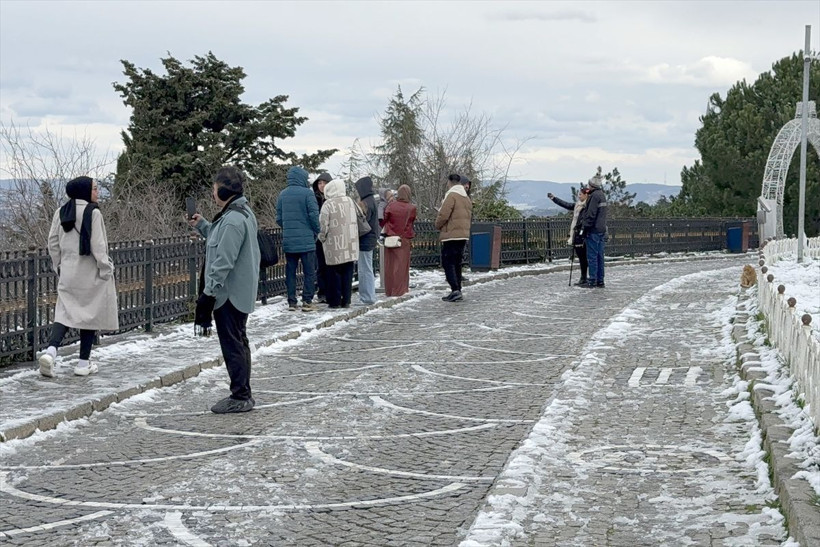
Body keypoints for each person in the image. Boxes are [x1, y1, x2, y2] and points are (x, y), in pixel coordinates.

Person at [190, 166, 261, 414]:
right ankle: (243, 392)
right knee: (238, 341)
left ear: (222, 189)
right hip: (237, 292)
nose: (212, 193)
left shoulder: (233, 219)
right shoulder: (237, 212)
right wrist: (203, 225)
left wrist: (209, 293)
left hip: (230, 294)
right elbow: (219, 239)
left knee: (233, 345)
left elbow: (223, 262)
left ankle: (240, 395)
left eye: (214, 188)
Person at [38, 176, 118, 378]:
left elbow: (52, 243)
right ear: (84, 191)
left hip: (68, 271)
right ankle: (83, 363)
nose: (97, 192)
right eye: (94, 188)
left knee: (64, 312)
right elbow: (98, 246)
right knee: (88, 316)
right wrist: (106, 268)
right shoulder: (94, 213)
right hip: (90, 271)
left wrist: (59, 265)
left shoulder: (61, 211)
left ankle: (51, 351)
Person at [276, 166, 320, 312]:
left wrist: (288, 228)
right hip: (307, 240)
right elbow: (314, 215)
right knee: (309, 271)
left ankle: (291, 301)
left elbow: (279, 218)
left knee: (290, 271)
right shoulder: (308, 194)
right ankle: (307, 300)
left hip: (289, 241)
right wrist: (316, 230)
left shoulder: (282, 194)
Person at [318, 178, 359, 308]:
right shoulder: (350, 201)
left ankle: (334, 301)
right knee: (347, 272)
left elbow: (323, 224)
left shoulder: (328, 204)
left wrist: (321, 237)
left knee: (333, 273)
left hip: (334, 244)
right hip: (350, 243)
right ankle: (346, 299)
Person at [435, 173, 472, 302]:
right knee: (457, 262)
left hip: (451, 234)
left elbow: (443, 214)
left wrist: (438, 225)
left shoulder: (452, 195)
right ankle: (458, 289)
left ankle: (454, 289)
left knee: (448, 262)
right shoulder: (465, 197)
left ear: (451, 182)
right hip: (463, 234)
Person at [548, 187, 591, 286]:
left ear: (586, 195)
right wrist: (554, 198)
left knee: (583, 257)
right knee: (581, 257)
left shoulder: (587, 207)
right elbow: (566, 205)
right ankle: (584, 276)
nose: (579, 196)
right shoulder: (577, 205)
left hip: (582, 234)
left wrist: (580, 228)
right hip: (576, 233)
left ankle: (585, 277)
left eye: (580, 194)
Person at [382, 184, 417, 297]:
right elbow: (410, 223)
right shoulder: (411, 208)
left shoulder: (391, 205)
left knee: (389, 266)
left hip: (390, 239)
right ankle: (400, 290)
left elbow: (384, 219)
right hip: (403, 239)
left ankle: (389, 290)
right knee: (401, 266)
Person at [579, 173, 608, 288]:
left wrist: (584, 228)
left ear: (591, 186)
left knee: (592, 257)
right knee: (600, 256)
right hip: (601, 229)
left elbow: (590, 215)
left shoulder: (594, 197)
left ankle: (592, 280)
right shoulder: (602, 195)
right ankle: (600, 280)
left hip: (593, 230)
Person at [355, 176, 379, 305]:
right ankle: (369, 295)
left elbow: (362, 222)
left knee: (364, 270)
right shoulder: (372, 201)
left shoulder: (365, 203)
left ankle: (367, 297)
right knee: (367, 268)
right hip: (370, 239)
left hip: (364, 240)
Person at [312, 172, 332, 304]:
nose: (322, 185)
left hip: (332, 235)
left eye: (324, 183)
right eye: (319, 183)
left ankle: (331, 290)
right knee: (321, 265)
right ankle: (322, 291)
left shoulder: (332, 199)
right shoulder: (315, 198)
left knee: (332, 265)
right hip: (319, 236)